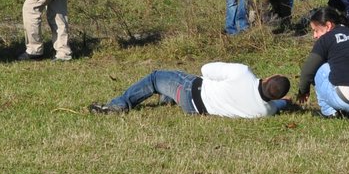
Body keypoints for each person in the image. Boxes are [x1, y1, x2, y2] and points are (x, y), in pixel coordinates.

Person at [89, 63, 289, 118]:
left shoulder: (243, 73)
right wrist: (286, 102)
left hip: (190, 91)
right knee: (168, 87)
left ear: (268, 77)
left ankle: (119, 105)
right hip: (196, 110)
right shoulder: (265, 111)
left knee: (155, 78)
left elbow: (206, 69)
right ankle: (167, 99)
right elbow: (280, 104)